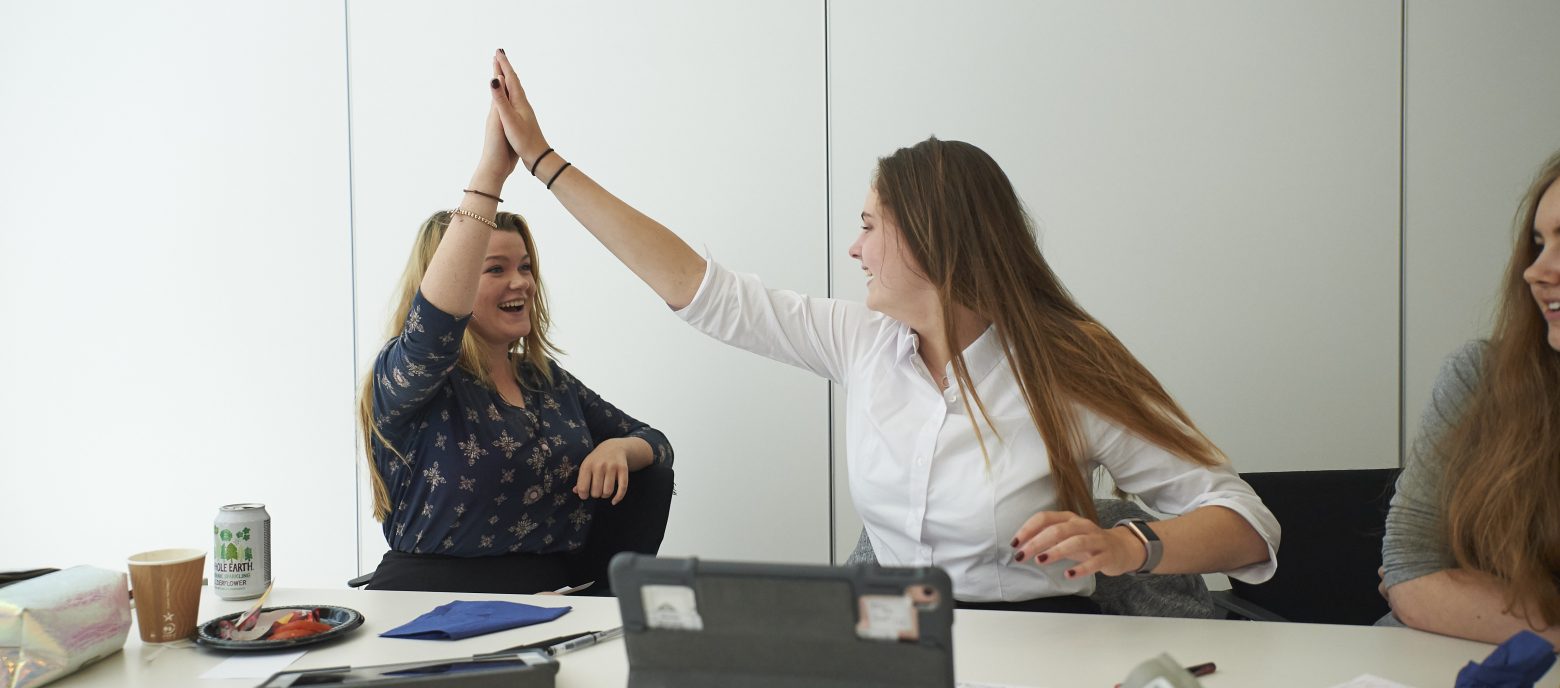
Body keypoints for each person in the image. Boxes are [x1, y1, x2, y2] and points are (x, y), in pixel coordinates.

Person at [484, 50, 1276, 612]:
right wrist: (545, 162)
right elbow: (698, 288)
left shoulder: (1066, 365)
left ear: (934, 241)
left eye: (869, 226)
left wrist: (1129, 548)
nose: (854, 248)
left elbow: (1246, 524)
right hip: (891, 640)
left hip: (1037, 646)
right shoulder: (862, 340)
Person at [354, 62, 674, 594]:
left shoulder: (545, 384)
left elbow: (656, 445)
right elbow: (435, 329)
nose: (520, 283)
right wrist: (490, 176)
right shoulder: (410, 381)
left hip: (552, 606)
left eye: (524, 267)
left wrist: (620, 449)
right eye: (495, 269)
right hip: (429, 605)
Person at [1380, 150, 1560, 645]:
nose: (1536, 271)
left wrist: (1486, 596)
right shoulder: (1482, 376)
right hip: (1448, 660)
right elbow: (1412, 573)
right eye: (1538, 244)